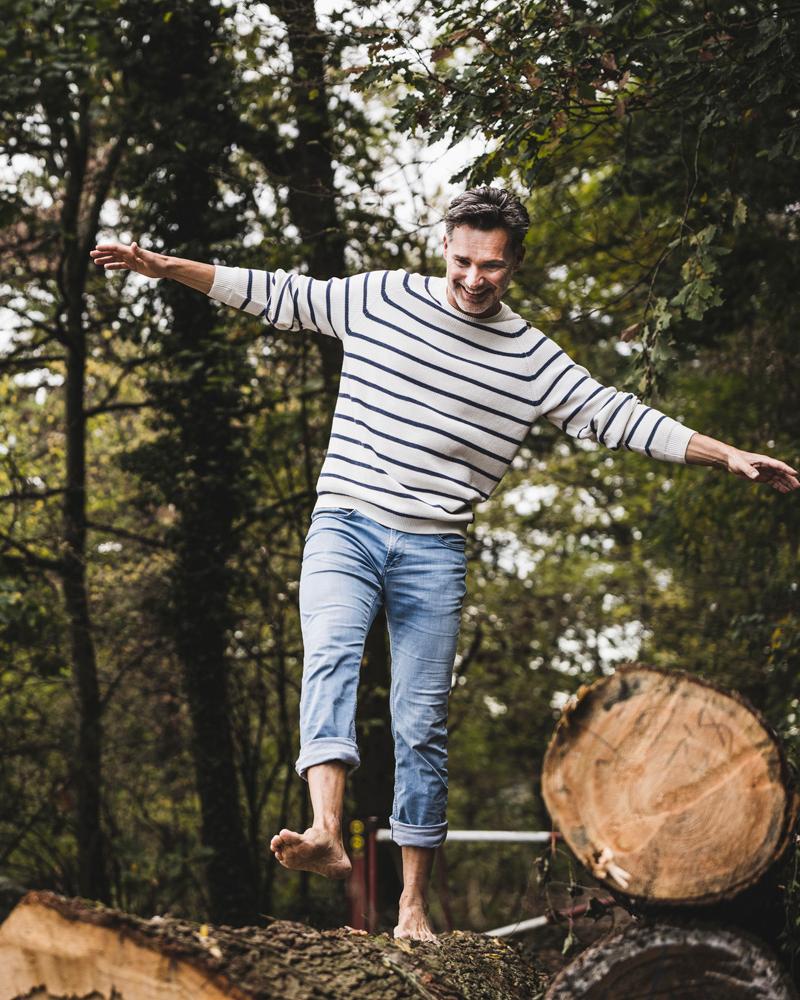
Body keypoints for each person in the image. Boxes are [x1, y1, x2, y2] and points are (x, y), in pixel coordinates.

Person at [90, 186, 799, 940]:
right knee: (330, 654)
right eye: (462, 260)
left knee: (421, 723)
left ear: (514, 264)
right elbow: (278, 294)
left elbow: (616, 413)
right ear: (444, 249)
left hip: (434, 549)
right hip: (347, 522)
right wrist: (166, 266)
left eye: (491, 266)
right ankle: (325, 829)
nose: (473, 278)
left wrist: (725, 454)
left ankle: (412, 909)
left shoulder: (530, 358)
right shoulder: (382, 298)